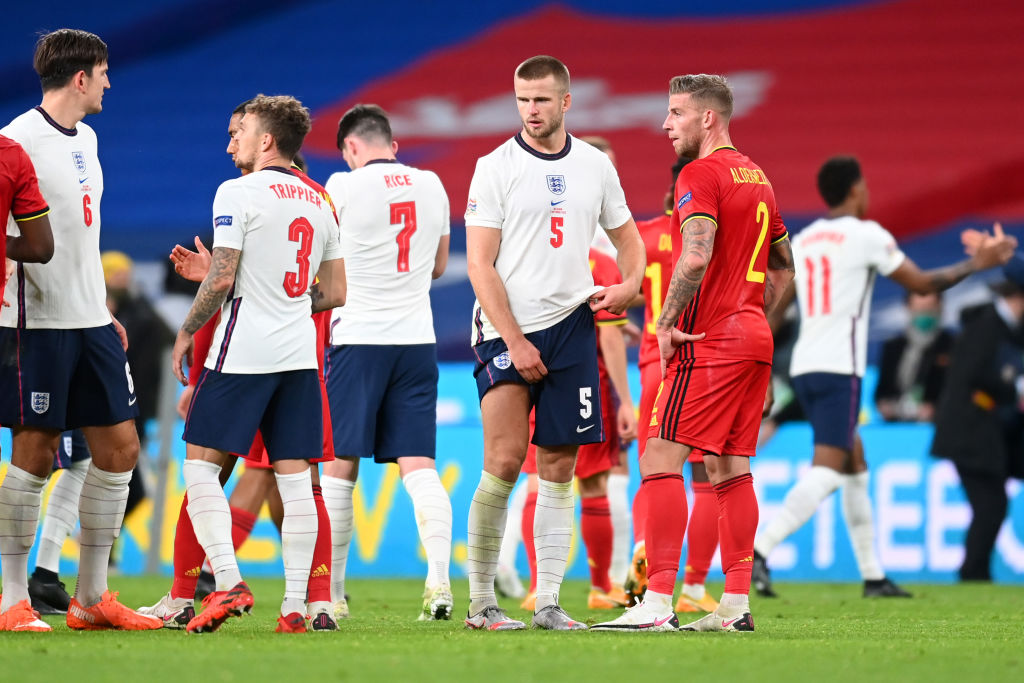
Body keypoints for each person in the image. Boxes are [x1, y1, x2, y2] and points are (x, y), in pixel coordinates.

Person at [752, 155, 1016, 599]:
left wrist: (759, 366)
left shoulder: (807, 238)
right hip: (840, 368)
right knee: (830, 469)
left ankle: (873, 576)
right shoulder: (867, 235)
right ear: (855, 189)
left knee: (855, 465)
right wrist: (978, 265)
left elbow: (774, 309)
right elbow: (924, 285)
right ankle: (757, 551)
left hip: (804, 367)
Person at [594, 73, 794, 633]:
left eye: (676, 113)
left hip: (710, 341)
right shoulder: (759, 177)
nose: (665, 124)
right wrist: (753, 314)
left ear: (708, 118)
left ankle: (656, 602)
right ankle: (733, 606)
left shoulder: (699, 174)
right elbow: (784, 267)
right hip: (752, 338)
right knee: (730, 467)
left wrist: (665, 321)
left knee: (659, 457)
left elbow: (697, 253)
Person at [463, 55, 644, 631]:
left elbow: (628, 238)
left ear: (567, 102)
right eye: (522, 99)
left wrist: (630, 285)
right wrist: (514, 339)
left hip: (572, 326)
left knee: (561, 467)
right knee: (504, 460)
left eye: (541, 99)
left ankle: (547, 602)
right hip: (504, 326)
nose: (530, 110)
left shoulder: (595, 166)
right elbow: (479, 263)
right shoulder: (494, 166)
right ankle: (481, 603)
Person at [0, 28, 162, 633]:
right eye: (103, 72)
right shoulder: (15, 141)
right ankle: (12, 598)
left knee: (119, 450)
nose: (109, 82)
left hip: (90, 318)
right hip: (35, 322)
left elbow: (80, 236)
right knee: (34, 456)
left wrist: (102, 306)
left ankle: (92, 597)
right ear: (80, 78)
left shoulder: (87, 139)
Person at [171, 94, 346, 634]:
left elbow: (223, 278)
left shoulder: (237, 191)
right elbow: (335, 290)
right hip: (299, 355)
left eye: (239, 133)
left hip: (242, 350)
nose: (232, 145)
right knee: (297, 483)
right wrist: (286, 299)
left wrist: (186, 331)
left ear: (265, 139)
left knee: (201, 467)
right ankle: (298, 608)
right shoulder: (321, 199)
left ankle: (227, 582)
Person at [319, 104, 454, 622]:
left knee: (339, 466)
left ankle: (332, 594)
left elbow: (323, 266)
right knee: (419, 465)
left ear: (351, 148)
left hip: (357, 338)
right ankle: (439, 585)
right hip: (417, 340)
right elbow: (439, 265)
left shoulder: (342, 188)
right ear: (393, 145)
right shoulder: (433, 185)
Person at [625, 156, 721, 615]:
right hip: (697, 361)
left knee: (654, 471)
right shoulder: (711, 238)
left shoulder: (642, 235)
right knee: (704, 478)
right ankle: (695, 585)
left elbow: (622, 288)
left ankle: (644, 546)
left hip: (649, 365)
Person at [517, 247, 634, 612]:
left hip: (536, 373)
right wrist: (626, 401)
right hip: (588, 383)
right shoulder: (599, 261)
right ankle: (600, 587)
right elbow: (611, 338)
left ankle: (537, 588)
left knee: (538, 480)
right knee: (596, 484)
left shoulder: (526, 254)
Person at [931, 257, 1024, 581]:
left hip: (987, 434)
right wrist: (1012, 385)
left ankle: (975, 572)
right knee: (991, 504)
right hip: (969, 434)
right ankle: (973, 573)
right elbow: (971, 378)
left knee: (991, 504)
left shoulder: (1007, 330)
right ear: (1017, 297)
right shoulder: (985, 328)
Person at [874, 291, 953, 422]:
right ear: (908, 308)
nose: (924, 314)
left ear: (940, 307)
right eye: (919, 308)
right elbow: (880, 393)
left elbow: (957, 391)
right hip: (895, 424)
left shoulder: (951, 346)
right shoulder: (893, 346)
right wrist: (886, 406)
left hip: (937, 424)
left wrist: (935, 408)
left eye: (929, 308)